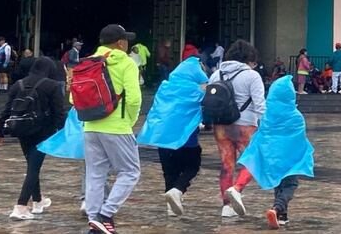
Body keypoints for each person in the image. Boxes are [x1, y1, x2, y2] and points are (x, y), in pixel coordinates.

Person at [82, 24, 142, 234]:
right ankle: (105, 214)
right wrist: (129, 121)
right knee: (130, 171)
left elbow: (74, 97)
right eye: (127, 39)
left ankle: (94, 221)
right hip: (117, 126)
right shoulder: (126, 63)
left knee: (95, 174)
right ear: (120, 43)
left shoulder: (87, 62)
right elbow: (134, 98)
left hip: (90, 126)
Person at [236, 75, 315, 230]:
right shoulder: (296, 116)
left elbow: (263, 135)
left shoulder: (267, 116)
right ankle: (277, 208)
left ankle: (282, 216)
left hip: (273, 157)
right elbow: (300, 137)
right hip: (291, 159)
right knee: (290, 184)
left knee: (278, 184)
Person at [0, 57, 67, 220]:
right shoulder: (52, 85)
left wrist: (0, 131)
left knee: (32, 166)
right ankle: (20, 207)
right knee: (33, 168)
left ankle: (38, 201)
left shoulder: (18, 84)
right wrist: (61, 134)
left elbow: (7, 110)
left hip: (21, 130)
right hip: (43, 132)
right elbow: (59, 113)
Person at [135, 57, 207, 218]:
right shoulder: (198, 89)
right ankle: (178, 190)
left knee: (169, 171)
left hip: (163, 139)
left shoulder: (164, 87)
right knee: (192, 167)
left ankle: (170, 206)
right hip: (186, 140)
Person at [208, 39, 266, 218]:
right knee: (254, 160)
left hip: (221, 126)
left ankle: (227, 207)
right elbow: (260, 105)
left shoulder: (216, 75)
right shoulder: (252, 76)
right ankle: (237, 188)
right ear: (249, 58)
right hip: (245, 125)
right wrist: (265, 125)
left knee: (227, 165)